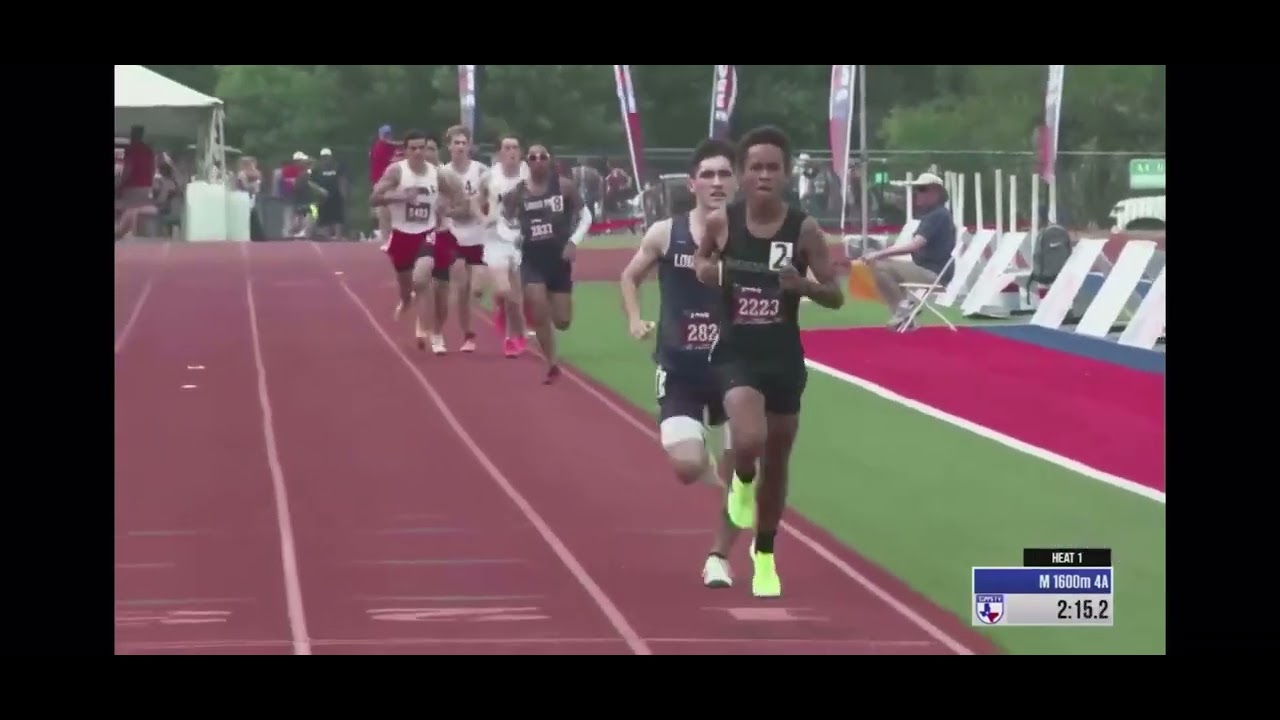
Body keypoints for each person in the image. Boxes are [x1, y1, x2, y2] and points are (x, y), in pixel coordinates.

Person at [693, 126, 844, 598]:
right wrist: (714, 272)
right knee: (749, 437)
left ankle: (764, 554)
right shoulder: (723, 221)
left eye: (772, 167)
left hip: (784, 357)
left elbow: (835, 294)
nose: (763, 175)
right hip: (738, 351)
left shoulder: (803, 228)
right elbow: (700, 263)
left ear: (786, 173)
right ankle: (740, 484)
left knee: (777, 462)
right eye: (755, 167)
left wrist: (804, 287)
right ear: (741, 174)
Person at [619, 138, 744, 588]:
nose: (715, 182)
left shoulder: (753, 235)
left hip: (737, 371)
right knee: (688, 469)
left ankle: (719, 556)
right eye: (707, 174)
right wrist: (635, 318)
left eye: (723, 174)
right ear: (692, 183)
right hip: (681, 370)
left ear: (736, 181)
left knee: (742, 473)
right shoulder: (664, 233)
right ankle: (714, 467)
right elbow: (630, 276)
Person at [500, 144, 593, 384]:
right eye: (533, 157)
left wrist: (573, 241)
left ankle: (550, 307)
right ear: (527, 162)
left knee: (562, 321)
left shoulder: (564, 187)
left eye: (543, 156)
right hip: (532, 260)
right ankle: (552, 363)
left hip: (558, 260)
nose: (538, 160)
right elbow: (502, 221)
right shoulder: (518, 193)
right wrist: (514, 237)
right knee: (538, 309)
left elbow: (586, 215)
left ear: (549, 160)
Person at [370, 130, 469, 348]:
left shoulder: (438, 174)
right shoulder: (396, 171)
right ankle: (406, 300)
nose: (417, 152)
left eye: (421, 148)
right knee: (408, 285)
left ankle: (425, 330)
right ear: (405, 151)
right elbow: (374, 198)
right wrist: (399, 196)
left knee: (422, 278)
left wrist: (449, 210)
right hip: (401, 235)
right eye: (412, 148)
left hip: (427, 234)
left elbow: (463, 202)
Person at [860, 172, 956, 329]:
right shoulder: (935, 215)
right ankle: (904, 313)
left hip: (933, 273)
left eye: (922, 189)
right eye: (917, 189)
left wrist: (879, 254)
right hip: (929, 269)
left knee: (880, 266)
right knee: (882, 266)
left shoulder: (937, 215)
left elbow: (915, 245)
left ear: (935, 192)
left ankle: (902, 312)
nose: (917, 193)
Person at [427, 125, 489, 355]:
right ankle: (468, 333)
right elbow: (443, 205)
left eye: (464, 143)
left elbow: (485, 199)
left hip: (479, 233)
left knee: (478, 289)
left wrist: (475, 207)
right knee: (461, 287)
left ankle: (507, 320)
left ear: (470, 146)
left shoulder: (482, 170)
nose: (461, 147)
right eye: (456, 143)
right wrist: (454, 211)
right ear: (449, 146)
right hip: (455, 233)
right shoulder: (443, 173)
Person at [481, 134, 532, 358]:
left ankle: (516, 335)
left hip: (521, 239)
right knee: (505, 291)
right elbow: (474, 200)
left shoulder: (529, 174)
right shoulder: (490, 176)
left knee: (517, 297)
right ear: (500, 153)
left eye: (515, 147)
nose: (511, 151)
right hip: (496, 240)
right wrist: (483, 217)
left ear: (520, 152)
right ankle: (508, 329)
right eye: (507, 148)